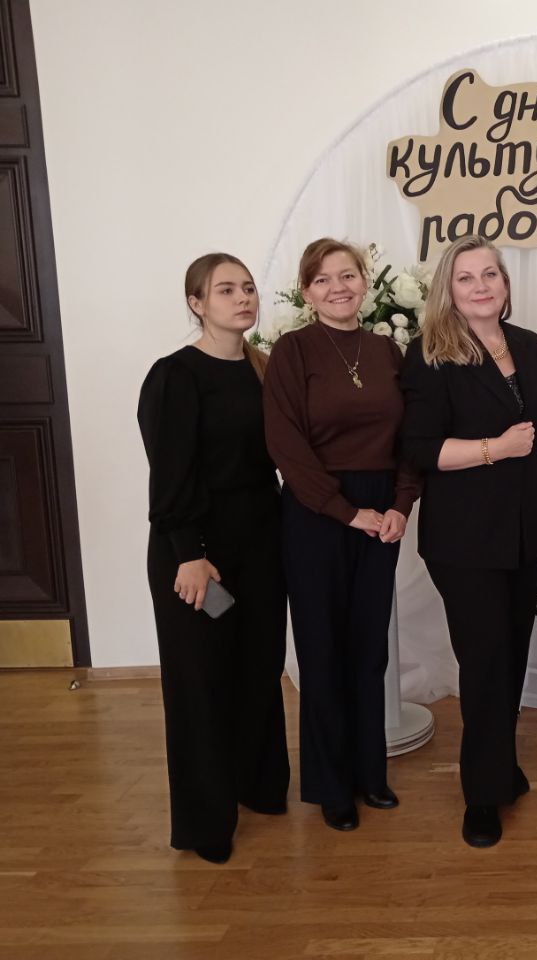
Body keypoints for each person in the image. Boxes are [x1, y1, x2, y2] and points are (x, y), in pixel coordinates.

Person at [399, 235, 537, 848]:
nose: (481, 285)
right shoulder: (429, 354)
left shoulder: (529, 345)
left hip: (522, 531)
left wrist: (519, 446)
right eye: (466, 277)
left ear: (505, 284)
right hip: (464, 540)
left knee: (511, 655)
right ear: (449, 289)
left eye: (490, 274)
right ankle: (482, 796)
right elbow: (420, 448)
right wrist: (496, 448)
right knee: (485, 662)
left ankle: (502, 766)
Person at [263, 237, 419, 833]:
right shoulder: (292, 351)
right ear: (307, 292)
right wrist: (343, 511)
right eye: (324, 279)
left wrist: (401, 504)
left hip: (381, 511)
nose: (338, 288)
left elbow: (410, 436)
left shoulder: (386, 350)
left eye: (348, 276)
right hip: (315, 513)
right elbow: (284, 444)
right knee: (323, 649)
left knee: (369, 647)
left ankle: (370, 774)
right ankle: (331, 786)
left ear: (364, 283)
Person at [138, 253, 288, 864]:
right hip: (200, 557)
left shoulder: (263, 369)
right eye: (225, 290)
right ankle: (206, 821)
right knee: (201, 680)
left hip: (261, 547)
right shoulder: (175, 375)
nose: (242, 298)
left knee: (257, 666)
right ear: (196, 303)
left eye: (248, 287)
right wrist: (190, 556)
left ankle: (258, 785)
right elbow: (170, 475)